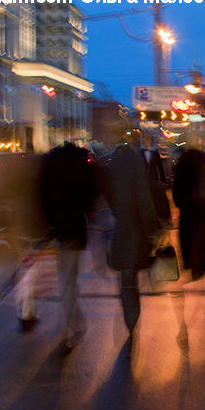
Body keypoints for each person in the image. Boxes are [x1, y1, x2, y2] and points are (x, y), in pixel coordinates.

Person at [101, 144, 161, 358]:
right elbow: (144, 200)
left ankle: (129, 319)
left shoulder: (112, 169)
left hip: (120, 232)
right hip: (136, 233)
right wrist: (152, 228)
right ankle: (133, 318)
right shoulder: (136, 170)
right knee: (133, 272)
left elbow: (108, 195)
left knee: (126, 277)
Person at [40, 141, 98, 352]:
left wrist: (48, 223)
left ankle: (69, 322)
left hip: (56, 229)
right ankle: (71, 323)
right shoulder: (81, 166)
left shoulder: (51, 163)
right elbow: (89, 196)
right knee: (70, 279)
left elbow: (42, 194)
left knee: (64, 276)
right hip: (74, 228)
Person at [172, 148, 205, 329]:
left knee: (186, 270)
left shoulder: (182, 166)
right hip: (204, 222)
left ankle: (182, 323)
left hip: (187, 223)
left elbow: (176, 197)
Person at [142, 146, 171, 227]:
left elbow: (160, 167)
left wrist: (162, 180)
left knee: (156, 199)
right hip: (147, 181)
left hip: (153, 180)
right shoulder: (141, 154)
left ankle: (159, 219)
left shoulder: (154, 154)